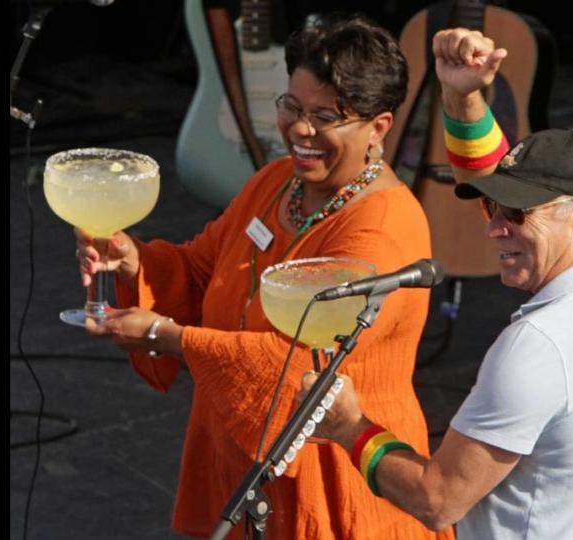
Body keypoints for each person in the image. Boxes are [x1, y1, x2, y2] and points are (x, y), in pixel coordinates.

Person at [73, 15, 454, 540]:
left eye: (324, 116)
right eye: (292, 107)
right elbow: (205, 267)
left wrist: (167, 337)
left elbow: (297, 366)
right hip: (247, 465)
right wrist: (131, 258)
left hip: (331, 472)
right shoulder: (279, 182)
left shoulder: (382, 231)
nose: (299, 129)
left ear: (379, 127)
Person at [297, 28, 573, 539]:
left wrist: (349, 427)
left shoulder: (540, 347)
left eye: (514, 212)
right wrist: (461, 95)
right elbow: (502, 181)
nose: (493, 227)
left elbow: (438, 498)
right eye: (493, 208)